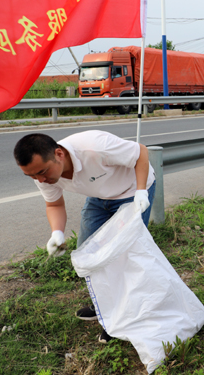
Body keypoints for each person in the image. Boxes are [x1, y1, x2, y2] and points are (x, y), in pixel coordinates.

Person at [13, 131, 156, 344]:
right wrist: (57, 233)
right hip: (99, 197)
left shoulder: (95, 147)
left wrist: (141, 191)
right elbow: (54, 204)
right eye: (32, 176)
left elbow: (141, 152)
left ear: (59, 154)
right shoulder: (40, 174)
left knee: (123, 258)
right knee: (88, 255)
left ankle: (122, 318)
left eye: (42, 172)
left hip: (131, 192)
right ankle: (104, 306)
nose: (40, 180)